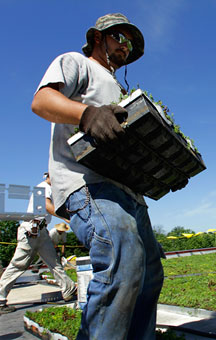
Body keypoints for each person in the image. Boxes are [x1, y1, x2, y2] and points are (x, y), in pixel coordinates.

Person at [31, 13, 171, 339]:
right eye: (119, 38)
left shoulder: (122, 88)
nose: (126, 46)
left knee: (149, 274)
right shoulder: (77, 64)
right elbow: (41, 101)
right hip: (88, 183)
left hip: (128, 192)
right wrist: (86, 114)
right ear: (98, 38)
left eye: (130, 43)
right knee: (123, 263)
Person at [0, 173, 77, 314]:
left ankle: (69, 290)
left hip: (41, 232)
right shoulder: (43, 187)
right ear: (49, 177)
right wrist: (66, 217)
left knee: (54, 262)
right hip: (31, 230)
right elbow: (47, 206)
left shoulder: (51, 190)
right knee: (18, 265)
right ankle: (0, 298)